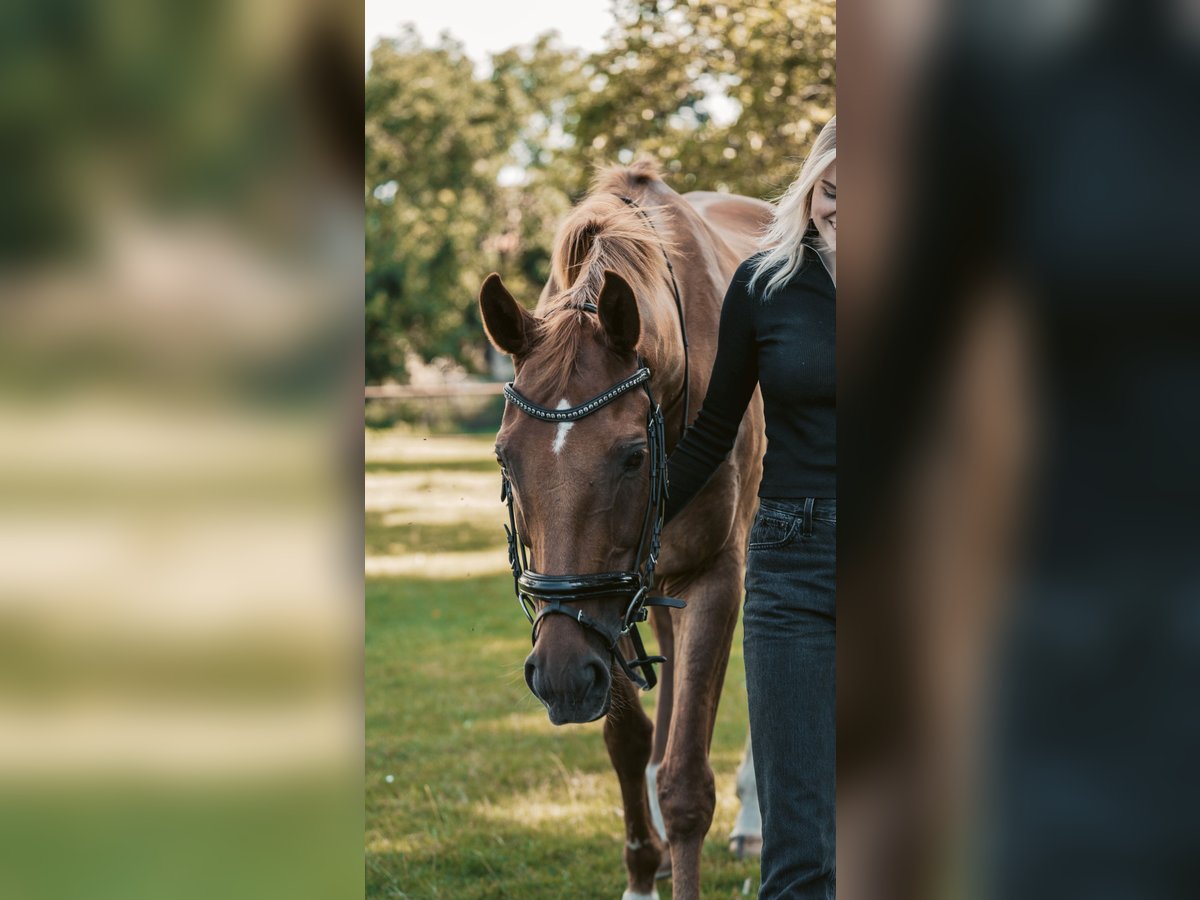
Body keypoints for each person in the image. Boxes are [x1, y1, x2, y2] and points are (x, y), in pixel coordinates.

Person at [665, 116, 836, 898]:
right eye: (834, 191)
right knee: (800, 848)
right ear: (811, 187)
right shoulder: (764, 284)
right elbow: (713, 431)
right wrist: (638, 524)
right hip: (792, 566)